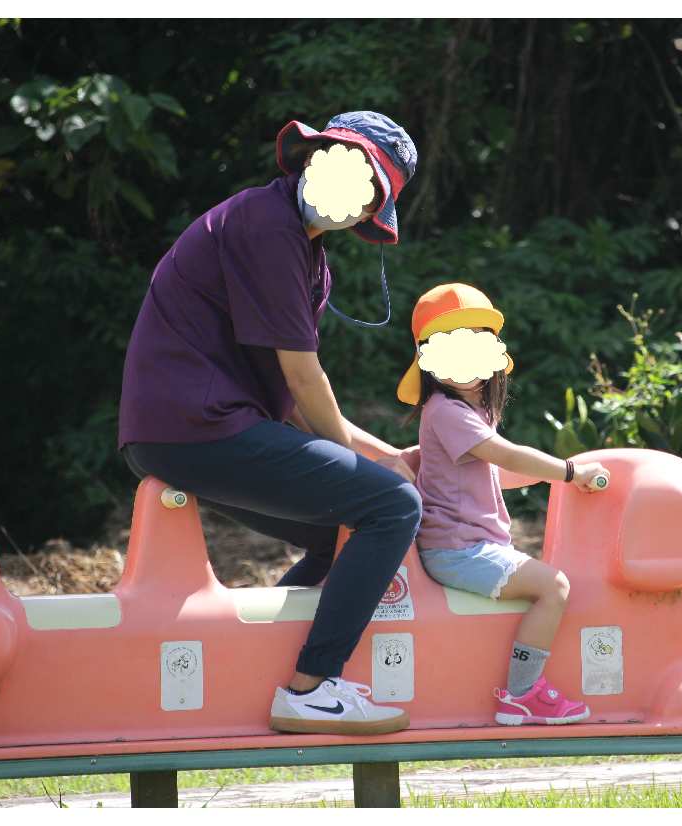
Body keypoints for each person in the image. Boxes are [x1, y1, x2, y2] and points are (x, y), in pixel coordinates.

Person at [118, 111, 421, 736]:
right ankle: (313, 688)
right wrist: (379, 475)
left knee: (336, 530)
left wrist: (387, 455)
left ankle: (268, 678)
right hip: (197, 427)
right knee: (393, 507)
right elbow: (306, 381)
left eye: (368, 186)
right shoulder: (268, 225)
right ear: (311, 156)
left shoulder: (303, 250)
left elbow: (295, 401)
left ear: (371, 211)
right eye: (342, 165)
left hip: (186, 430)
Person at [396, 283, 611, 725]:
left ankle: (524, 690)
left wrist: (562, 477)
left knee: (550, 584)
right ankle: (522, 694)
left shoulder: (470, 413)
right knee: (554, 587)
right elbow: (506, 455)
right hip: (457, 549)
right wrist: (569, 470)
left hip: (470, 546)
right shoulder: (447, 411)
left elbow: (499, 471)